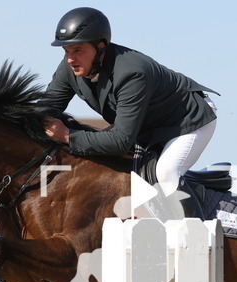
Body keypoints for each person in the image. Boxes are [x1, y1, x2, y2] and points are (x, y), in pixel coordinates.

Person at [41, 7, 218, 205]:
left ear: (100, 47)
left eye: (78, 50)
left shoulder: (132, 73)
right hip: (147, 125)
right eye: (66, 51)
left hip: (188, 120)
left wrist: (67, 135)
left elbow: (120, 141)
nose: (71, 59)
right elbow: (46, 109)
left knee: (166, 174)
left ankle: (194, 235)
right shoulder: (69, 68)